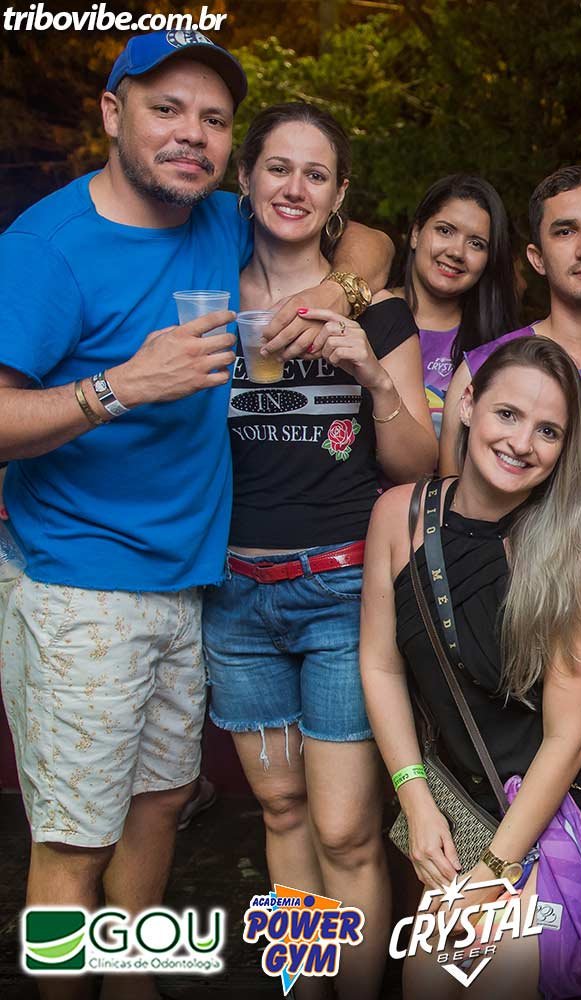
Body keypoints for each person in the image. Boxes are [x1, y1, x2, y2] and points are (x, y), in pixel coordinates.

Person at [0, 32, 391, 1000]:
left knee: (161, 805)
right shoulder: (44, 250)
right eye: (167, 109)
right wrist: (120, 387)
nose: (192, 134)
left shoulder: (218, 217)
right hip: (82, 588)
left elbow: (370, 240)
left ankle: (131, 984)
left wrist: (332, 289)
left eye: (214, 119)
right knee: (74, 842)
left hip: (191, 586)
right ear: (112, 113)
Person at [202, 102, 436, 997]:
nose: (294, 187)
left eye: (316, 174)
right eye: (278, 168)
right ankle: (307, 984)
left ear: (339, 196)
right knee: (281, 808)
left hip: (341, 595)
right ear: (246, 180)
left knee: (344, 827)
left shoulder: (377, 310)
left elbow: (420, 463)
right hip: (234, 596)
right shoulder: (207, 302)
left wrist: (370, 373)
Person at [361, 336, 581, 998]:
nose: (522, 443)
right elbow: (380, 667)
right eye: (508, 414)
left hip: (579, 806)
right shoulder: (398, 516)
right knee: (427, 982)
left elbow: (568, 740)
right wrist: (414, 795)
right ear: (467, 404)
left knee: (498, 980)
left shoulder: (569, 562)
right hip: (473, 800)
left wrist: (494, 872)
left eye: (548, 431)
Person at [442, 165, 581, 714]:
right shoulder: (483, 372)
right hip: (519, 675)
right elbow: (456, 540)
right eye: (565, 231)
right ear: (536, 257)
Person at [394, 174, 522, 434]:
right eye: (445, 231)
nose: (456, 252)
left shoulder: (499, 347)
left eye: (476, 244)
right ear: (416, 233)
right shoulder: (366, 311)